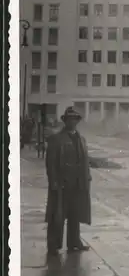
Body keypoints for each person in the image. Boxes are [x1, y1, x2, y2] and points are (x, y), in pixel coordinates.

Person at [45, 106, 91, 256]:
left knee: (75, 215)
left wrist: (87, 177)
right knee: (57, 216)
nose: (72, 121)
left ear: (78, 121)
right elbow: (50, 163)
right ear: (65, 121)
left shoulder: (82, 139)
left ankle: (74, 242)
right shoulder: (56, 139)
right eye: (69, 118)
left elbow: (85, 161)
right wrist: (53, 181)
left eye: (75, 119)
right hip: (62, 183)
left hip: (78, 184)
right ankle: (53, 245)